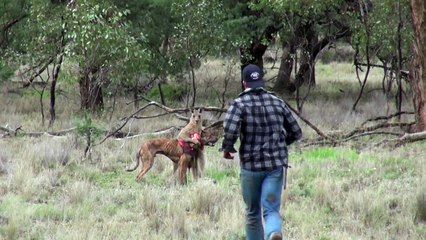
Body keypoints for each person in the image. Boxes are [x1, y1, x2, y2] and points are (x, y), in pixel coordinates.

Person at [220, 64, 302, 240]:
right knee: (271, 209)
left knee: (252, 212)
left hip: (251, 167)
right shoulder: (277, 102)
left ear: (244, 83)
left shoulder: (239, 104)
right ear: (261, 81)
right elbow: (296, 131)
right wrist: (280, 144)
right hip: (275, 166)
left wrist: (228, 148)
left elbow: (230, 129)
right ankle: (273, 232)